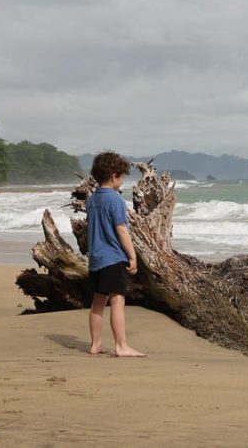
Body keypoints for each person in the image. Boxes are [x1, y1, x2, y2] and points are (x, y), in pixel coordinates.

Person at [86, 151, 146, 357]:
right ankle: (121, 345)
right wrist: (133, 255)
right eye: (122, 177)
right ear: (114, 175)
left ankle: (95, 343)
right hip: (113, 256)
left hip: (96, 258)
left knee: (98, 301)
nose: (122, 182)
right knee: (117, 300)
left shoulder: (92, 199)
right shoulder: (115, 200)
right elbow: (121, 230)